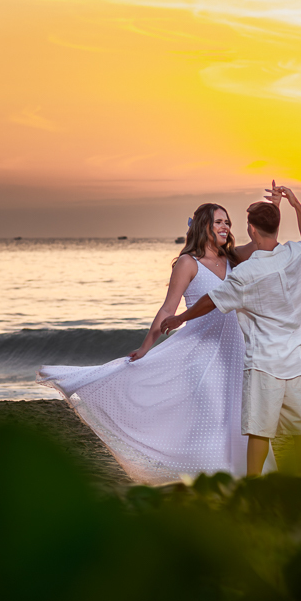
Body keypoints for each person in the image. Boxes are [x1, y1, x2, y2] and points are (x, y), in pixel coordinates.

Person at [37, 202, 267, 483]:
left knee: (235, 417)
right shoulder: (188, 263)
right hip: (199, 351)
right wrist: (147, 346)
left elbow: (260, 243)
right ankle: (210, 477)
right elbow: (168, 309)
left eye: (227, 222)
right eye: (218, 222)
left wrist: (274, 206)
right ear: (202, 226)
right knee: (211, 415)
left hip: (234, 353)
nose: (225, 227)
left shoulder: (232, 259)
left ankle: (238, 478)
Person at [162, 185, 301, 477]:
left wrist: (180, 316)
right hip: (294, 363)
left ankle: (253, 487)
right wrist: (295, 204)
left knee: (259, 432)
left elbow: (210, 301)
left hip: (263, 364)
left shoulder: (246, 274)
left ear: (251, 231)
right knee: (299, 430)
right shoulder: (295, 254)